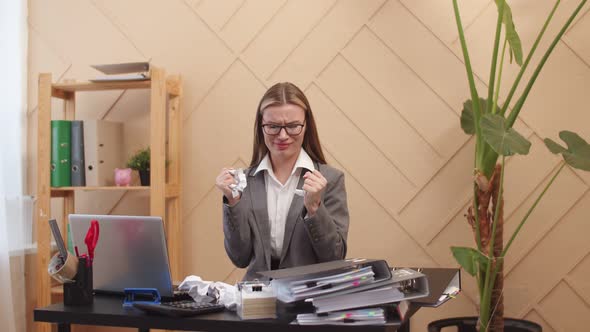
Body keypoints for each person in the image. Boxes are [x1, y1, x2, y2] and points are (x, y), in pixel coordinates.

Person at [215, 82, 350, 280]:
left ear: (306, 126)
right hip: (258, 299)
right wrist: (232, 201)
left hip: (309, 298)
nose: (283, 135)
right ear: (261, 127)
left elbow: (334, 257)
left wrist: (314, 208)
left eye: (293, 126)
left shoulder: (330, 179)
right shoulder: (244, 181)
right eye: (273, 126)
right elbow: (239, 258)